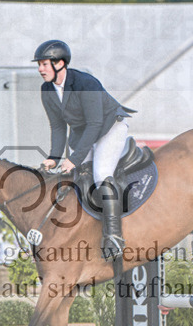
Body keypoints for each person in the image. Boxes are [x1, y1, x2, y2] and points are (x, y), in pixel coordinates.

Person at [34, 39, 135, 261]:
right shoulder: (47, 89)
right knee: (81, 176)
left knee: (100, 174)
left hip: (110, 126)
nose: (40, 69)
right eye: (39, 65)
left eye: (44, 64)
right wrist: (54, 157)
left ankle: (114, 236)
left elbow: (95, 124)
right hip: (84, 133)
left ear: (60, 63)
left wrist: (74, 158)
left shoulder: (85, 83)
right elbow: (58, 126)